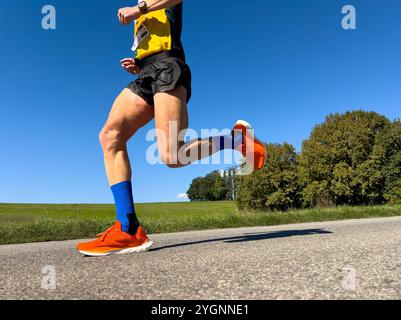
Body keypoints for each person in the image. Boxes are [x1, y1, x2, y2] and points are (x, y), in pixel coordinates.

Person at [77, 0, 267, 256]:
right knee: (110, 136)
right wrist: (139, 63)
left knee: (172, 156)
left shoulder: (144, 5)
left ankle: (235, 140)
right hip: (146, 73)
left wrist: (140, 9)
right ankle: (127, 228)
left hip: (169, 68)